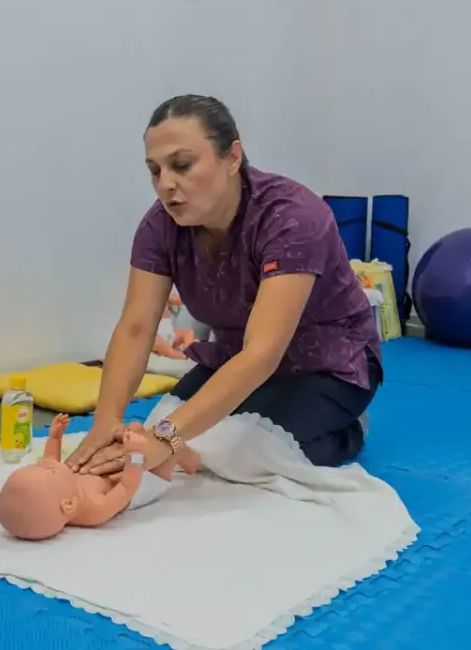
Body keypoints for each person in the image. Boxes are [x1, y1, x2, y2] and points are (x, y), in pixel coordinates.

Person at [64, 94, 383, 479]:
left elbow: (263, 352)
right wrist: (107, 422)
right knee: (160, 428)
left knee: (237, 452)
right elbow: (135, 327)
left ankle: (348, 428)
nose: (165, 185)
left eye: (182, 165)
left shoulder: (292, 217)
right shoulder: (160, 226)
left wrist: (164, 440)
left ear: (232, 157)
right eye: (154, 170)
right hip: (234, 359)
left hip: (327, 366)